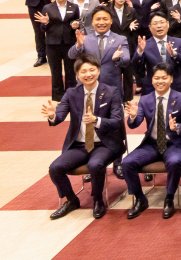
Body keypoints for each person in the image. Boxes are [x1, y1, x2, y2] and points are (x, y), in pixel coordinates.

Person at [43, 54, 124, 220]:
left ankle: (98, 200)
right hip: (79, 145)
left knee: (95, 165)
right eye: (83, 71)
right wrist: (52, 115)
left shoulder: (111, 92)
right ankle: (71, 200)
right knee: (55, 168)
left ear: (98, 71)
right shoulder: (71, 93)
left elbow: (117, 121)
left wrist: (97, 120)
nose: (88, 74)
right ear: (77, 75)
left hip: (104, 144)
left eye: (92, 70)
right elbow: (59, 116)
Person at [121, 63, 181, 219]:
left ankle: (169, 198)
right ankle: (140, 199)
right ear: (152, 80)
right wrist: (133, 116)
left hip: (175, 144)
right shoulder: (145, 99)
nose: (160, 81)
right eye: (156, 78)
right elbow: (135, 124)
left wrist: (177, 127)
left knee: (174, 162)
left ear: (171, 79)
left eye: (164, 78)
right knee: (127, 163)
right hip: (152, 144)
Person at [35, 0, 80, 101]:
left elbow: (78, 23)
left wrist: (76, 25)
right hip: (52, 44)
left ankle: (71, 95)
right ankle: (58, 97)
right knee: (55, 71)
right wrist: (45, 23)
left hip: (69, 44)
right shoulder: (47, 8)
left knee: (70, 71)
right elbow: (42, 29)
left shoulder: (74, 7)